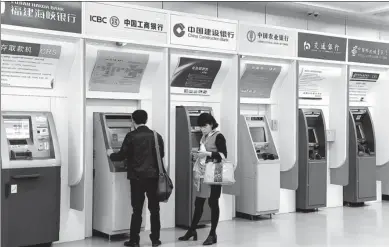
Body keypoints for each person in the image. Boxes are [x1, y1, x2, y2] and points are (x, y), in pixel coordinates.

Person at [108, 109, 164, 247]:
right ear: (146, 119)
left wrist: (110, 154)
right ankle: (155, 240)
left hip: (137, 178)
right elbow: (160, 155)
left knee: (137, 210)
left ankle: (134, 240)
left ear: (133, 120)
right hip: (153, 177)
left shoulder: (131, 136)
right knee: (155, 209)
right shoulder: (156, 136)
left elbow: (121, 155)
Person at [178, 113, 227, 246]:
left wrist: (207, 153)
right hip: (203, 172)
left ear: (211, 124)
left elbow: (223, 155)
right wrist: (197, 156)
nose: (202, 129)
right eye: (200, 126)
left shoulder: (219, 136)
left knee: (213, 202)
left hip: (215, 172)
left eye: (204, 126)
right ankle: (192, 230)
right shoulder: (204, 137)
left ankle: (213, 234)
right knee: (198, 202)